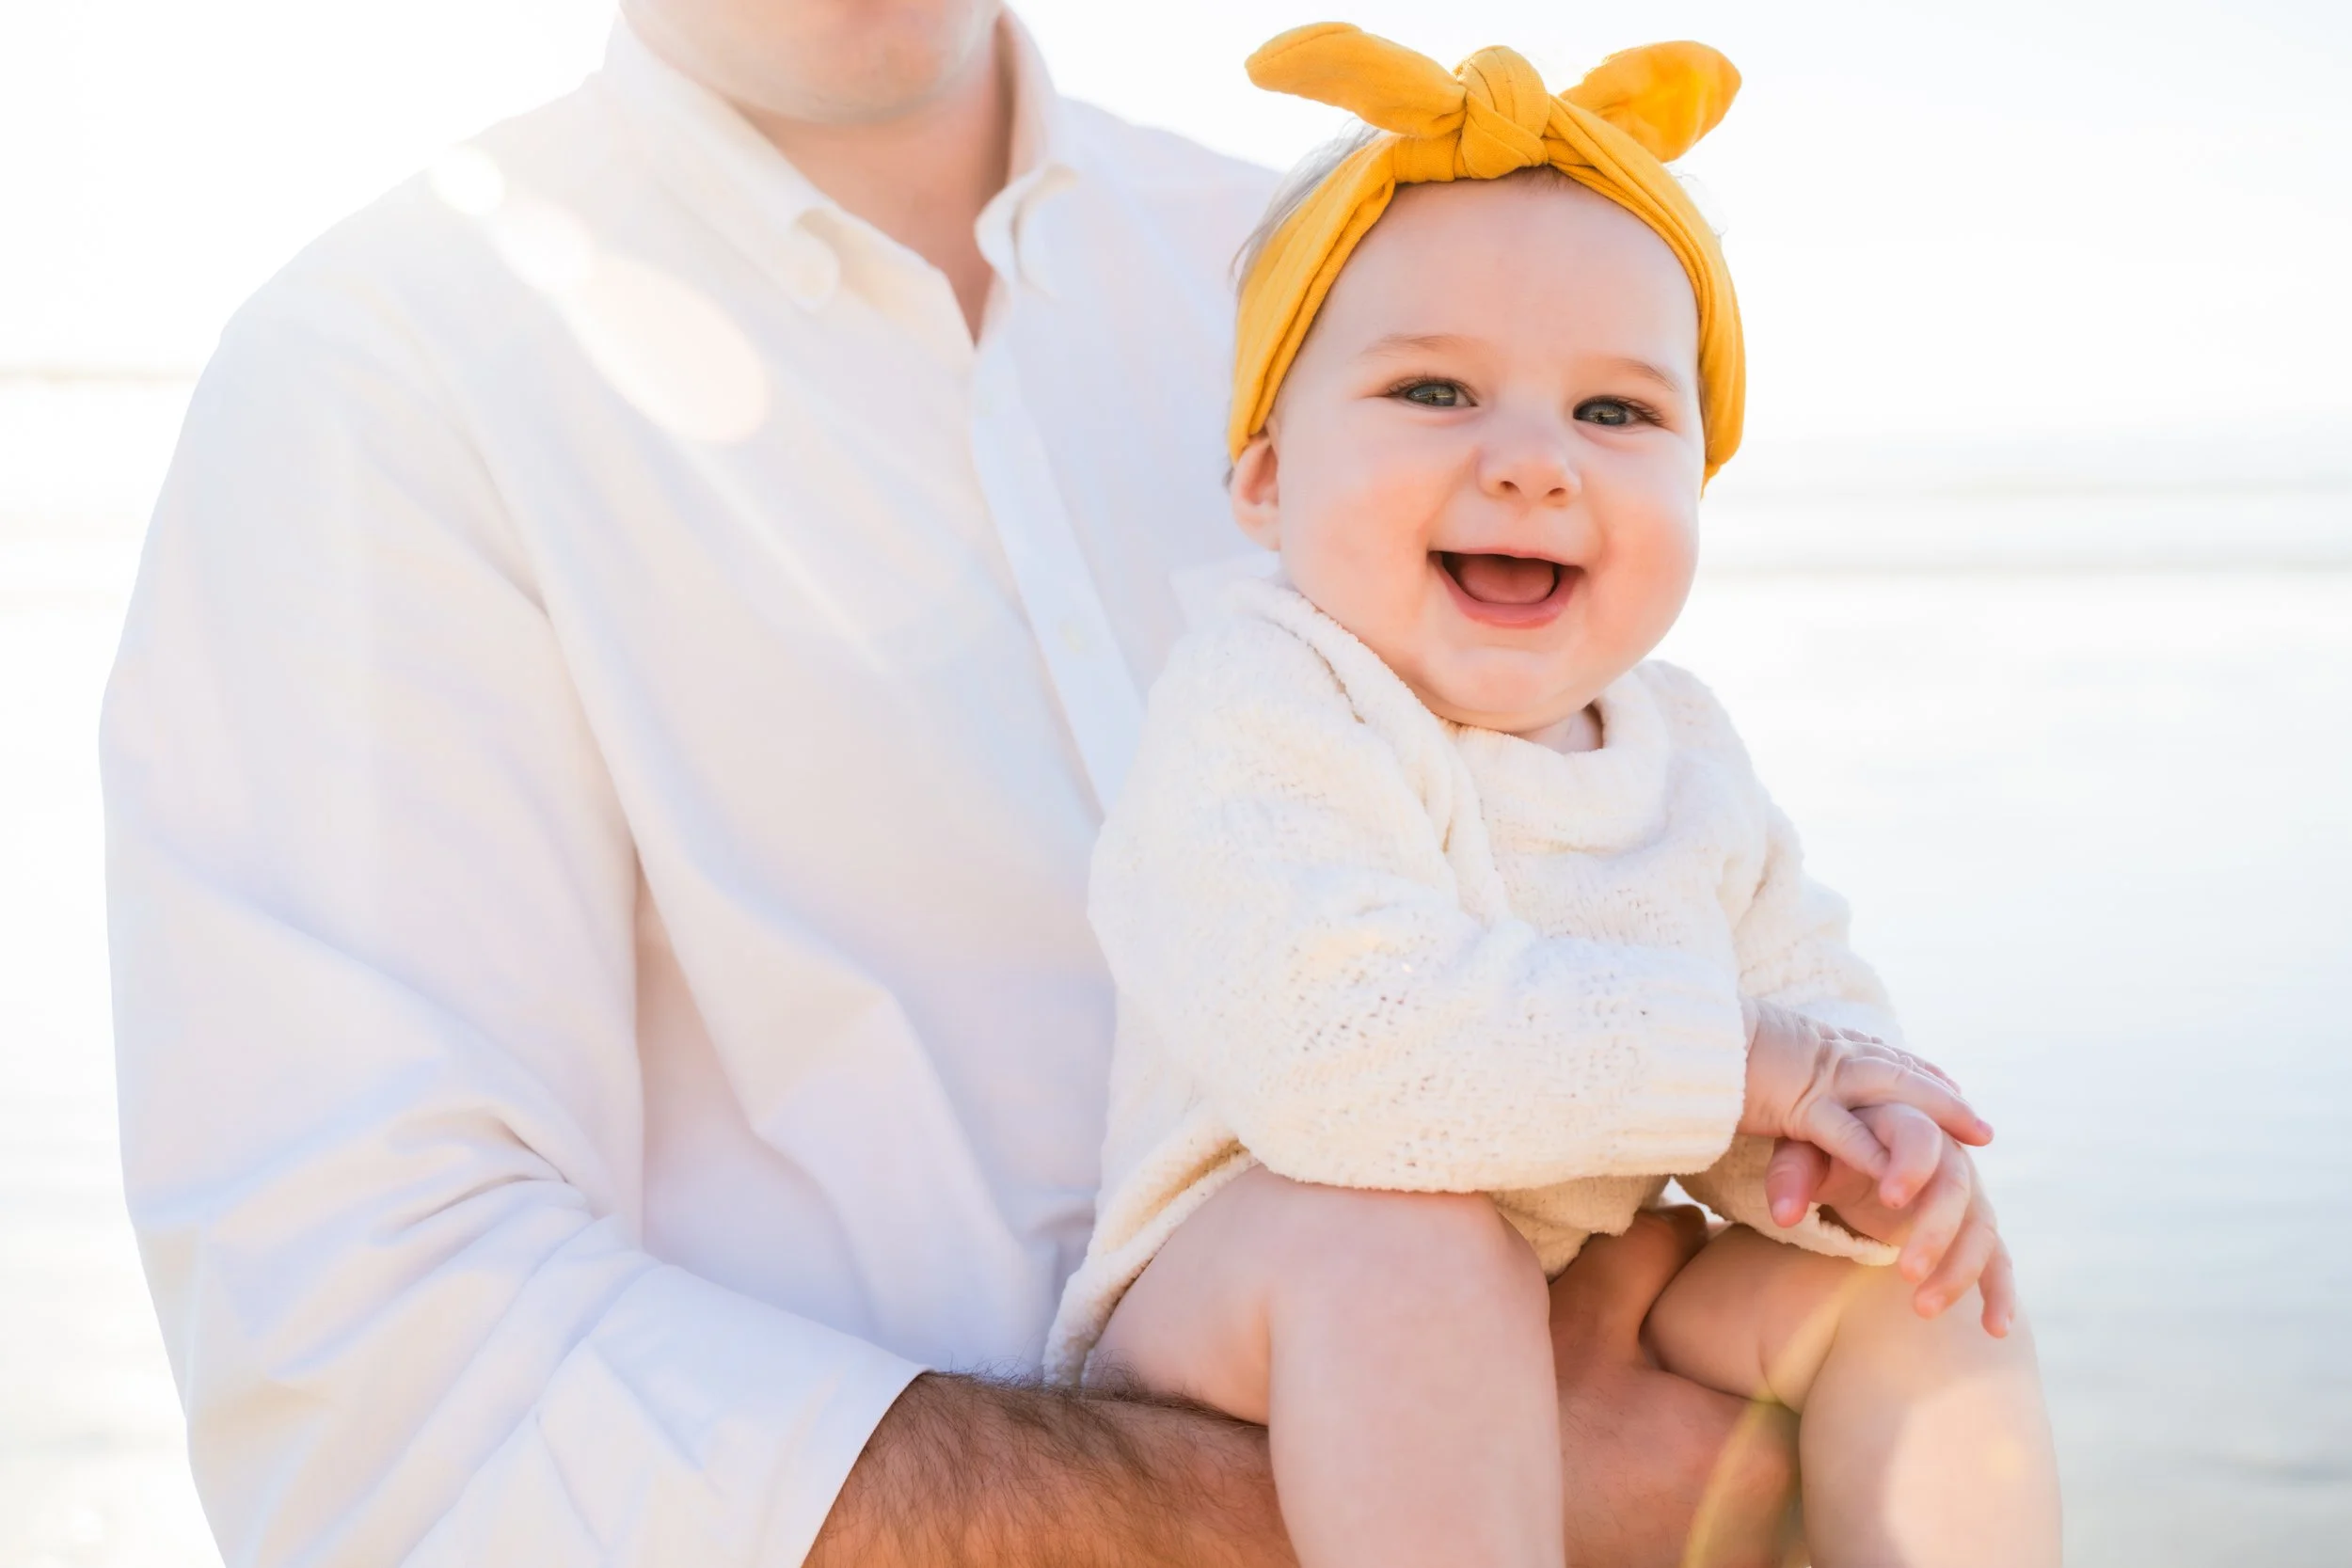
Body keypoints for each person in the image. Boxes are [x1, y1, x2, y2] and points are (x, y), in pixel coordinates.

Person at [103, 3, 1811, 1564]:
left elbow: (1659, 873)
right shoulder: (379, 377)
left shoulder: (1367, 283)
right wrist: (1461, 1492)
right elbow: (391, 1408)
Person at [1044, 24, 2063, 1568]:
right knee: (1407, 1248)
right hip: (1255, 1291)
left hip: (1569, 1280)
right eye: (1436, 389)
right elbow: (1341, 1054)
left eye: (1616, 414)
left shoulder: (1680, 745)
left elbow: (1799, 1007)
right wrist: (1749, 1065)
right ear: (1265, 478)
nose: (1531, 461)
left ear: (1697, 484)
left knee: (1908, 1300)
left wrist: (1865, 1156)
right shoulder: (1263, 705)